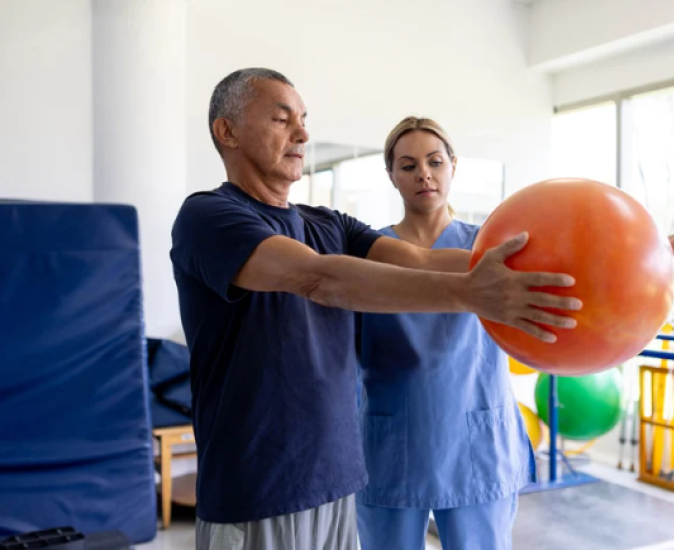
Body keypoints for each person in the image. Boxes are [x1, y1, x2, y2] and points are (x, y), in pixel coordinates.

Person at [169, 69, 583, 550]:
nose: (303, 133)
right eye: (283, 120)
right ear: (227, 131)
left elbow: (424, 260)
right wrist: (471, 293)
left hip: (335, 482)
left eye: (303, 120)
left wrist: (644, 253)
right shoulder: (208, 217)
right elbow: (319, 279)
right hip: (259, 487)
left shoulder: (330, 224)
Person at [355, 116, 674, 550]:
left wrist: (670, 244)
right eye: (408, 165)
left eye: (435, 161)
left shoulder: (496, 244)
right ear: (391, 176)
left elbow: (581, 267)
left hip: (475, 438)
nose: (424, 174)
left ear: (453, 165)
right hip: (391, 442)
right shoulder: (368, 252)